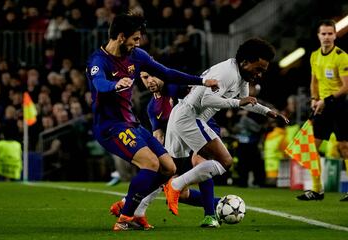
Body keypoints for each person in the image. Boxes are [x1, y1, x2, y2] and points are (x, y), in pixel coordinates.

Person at [85, 13, 218, 231]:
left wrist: (202, 81)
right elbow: (99, 83)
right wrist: (115, 85)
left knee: (168, 167)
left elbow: (166, 73)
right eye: (135, 38)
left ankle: (132, 210)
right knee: (150, 164)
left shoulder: (137, 56)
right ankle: (125, 218)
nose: (138, 43)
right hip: (110, 127)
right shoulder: (98, 61)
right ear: (120, 37)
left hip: (132, 124)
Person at [163, 38, 290, 216]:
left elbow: (246, 102)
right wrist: (237, 102)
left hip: (184, 115)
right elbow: (206, 99)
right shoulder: (227, 72)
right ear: (245, 62)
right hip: (190, 117)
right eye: (258, 69)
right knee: (225, 161)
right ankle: (176, 186)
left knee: (167, 170)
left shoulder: (242, 75)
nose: (259, 74)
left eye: (263, 71)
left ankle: (133, 209)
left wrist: (267, 112)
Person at [110, 71, 222, 228]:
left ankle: (210, 216)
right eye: (144, 77)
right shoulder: (152, 107)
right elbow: (158, 135)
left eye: (152, 75)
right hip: (178, 143)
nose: (149, 80)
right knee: (178, 189)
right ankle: (222, 204)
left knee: (199, 160)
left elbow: (198, 95)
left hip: (202, 128)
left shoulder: (174, 87)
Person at [296, 19, 348, 201]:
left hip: (340, 106)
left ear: (335, 35)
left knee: (344, 148)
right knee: (311, 148)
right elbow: (314, 81)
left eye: (330, 33)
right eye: (323, 34)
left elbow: (346, 87)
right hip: (321, 107)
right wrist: (314, 99)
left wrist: (326, 100)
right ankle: (317, 190)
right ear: (318, 36)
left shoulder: (342, 56)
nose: (326, 37)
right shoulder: (314, 56)